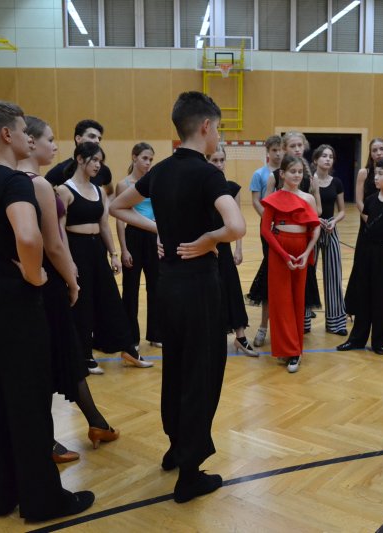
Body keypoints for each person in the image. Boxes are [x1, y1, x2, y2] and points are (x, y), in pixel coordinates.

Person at [0, 101, 93, 521]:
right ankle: (43, 501)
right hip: (13, 303)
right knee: (30, 401)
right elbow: (30, 237)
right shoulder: (15, 182)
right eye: (23, 131)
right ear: (7, 135)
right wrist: (34, 276)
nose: (29, 139)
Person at [110, 91, 245, 503]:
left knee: (177, 369)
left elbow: (117, 207)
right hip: (199, 287)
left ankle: (175, 447)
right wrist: (209, 239)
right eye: (218, 128)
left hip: (168, 286)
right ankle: (189, 472)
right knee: (201, 374)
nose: (218, 135)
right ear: (205, 126)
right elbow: (237, 226)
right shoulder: (207, 174)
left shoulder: (160, 171)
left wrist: (161, 233)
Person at [18, 116, 119, 461]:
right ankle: (46, 439)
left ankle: (95, 422)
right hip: (46, 281)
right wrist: (67, 278)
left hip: (46, 279)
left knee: (65, 353)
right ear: (28, 141)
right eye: (49, 139)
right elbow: (50, 242)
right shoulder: (39, 184)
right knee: (51, 358)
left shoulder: (10, 179)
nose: (55, 144)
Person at [57, 142, 152, 375]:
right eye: (95, 160)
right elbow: (60, 230)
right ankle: (84, 355)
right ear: (80, 159)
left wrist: (113, 254)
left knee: (111, 299)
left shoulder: (99, 190)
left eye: (101, 161)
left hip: (96, 248)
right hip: (76, 249)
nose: (98, 165)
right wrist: (68, 260)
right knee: (83, 303)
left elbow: (104, 226)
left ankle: (127, 349)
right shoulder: (64, 190)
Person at [261, 155, 321, 373]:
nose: (297, 175)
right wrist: (284, 255)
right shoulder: (273, 198)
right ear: (282, 174)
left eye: (299, 172)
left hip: (301, 252)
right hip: (280, 253)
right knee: (281, 301)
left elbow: (315, 228)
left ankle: (295, 351)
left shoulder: (308, 198)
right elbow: (265, 230)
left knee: (297, 300)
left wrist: (306, 252)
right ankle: (288, 349)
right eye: (292, 171)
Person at [337, 157, 383, 355]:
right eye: (376, 173)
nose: (376, 177)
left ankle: (379, 342)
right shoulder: (371, 200)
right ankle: (357, 339)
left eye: (381, 174)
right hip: (365, 251)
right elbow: (370, 226)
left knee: (380, 298)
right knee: (363, 295)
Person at [268, 132, 322, 332]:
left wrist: (307, 251)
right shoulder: (274, 179)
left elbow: (315, 218)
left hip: (302, 246)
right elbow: (266, 217)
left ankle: (299, 334)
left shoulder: (309, 184)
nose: (298, 149)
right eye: (293, 145)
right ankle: (266, 329)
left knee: (299, 296)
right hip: (279, 244)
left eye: (300, 145)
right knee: (277, 296)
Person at [207, 146, 258, 356]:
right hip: (205, 247)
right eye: (214, 160)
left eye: (222, 160)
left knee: (232, 289)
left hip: (225, 247)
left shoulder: (232, 188)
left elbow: (237, 220)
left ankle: (241, 337)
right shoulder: (200, 187)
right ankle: (210, 337)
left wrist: (239, 248)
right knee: (209, 293)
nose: (219, 164)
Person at [114, 143, 163, 350]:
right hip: (133, 236)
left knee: (156, 287)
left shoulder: (154, 182)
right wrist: (124, 249)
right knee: (130, 289)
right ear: (134, 158)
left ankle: (156, 334)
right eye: (144, 158)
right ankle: (131, 337)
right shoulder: (123, 184)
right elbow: (119, 219)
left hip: (153, 236)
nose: (148, 163)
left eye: (151, 159)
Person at [345, 138, 383, 317]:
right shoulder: (364, 173)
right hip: (367, 225)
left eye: (381, 149)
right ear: (370, 154)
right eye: (374, 150)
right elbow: (359, 200)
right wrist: (370, 221)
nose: (378, 153)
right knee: (361, 266)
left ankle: (375, 308)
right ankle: (353, 307)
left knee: (379, 270)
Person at [247, 135, 284, 347]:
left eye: (280, 150)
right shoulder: (259, 174)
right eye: (274, 150)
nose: (278, 154)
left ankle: (284, 325)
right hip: (268, 228)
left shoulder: (289, 172)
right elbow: (255, 201)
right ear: (267, 152)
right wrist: (269, 221)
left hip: (287, 229)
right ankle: (263, 327)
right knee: (270, 273)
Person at [312, 144, 347, 335]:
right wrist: (315, 220)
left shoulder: (337, 182)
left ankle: (336, 323)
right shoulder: (309, 180)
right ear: (315, 159)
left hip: (330, 229)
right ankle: (304, 320)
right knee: (308, 275)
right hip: (312, 230)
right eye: (324, 156)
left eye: (331, 156)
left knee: (334, 275)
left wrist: (334, 221)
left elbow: (342, 211)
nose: (327, 159)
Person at [45, 119, 113, 196]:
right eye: (92, 136)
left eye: (99, 138)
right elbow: (42, 193)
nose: (97, 141)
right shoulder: (60, 169)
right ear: (78, 139)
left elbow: (110, 192)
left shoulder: (103, 169)